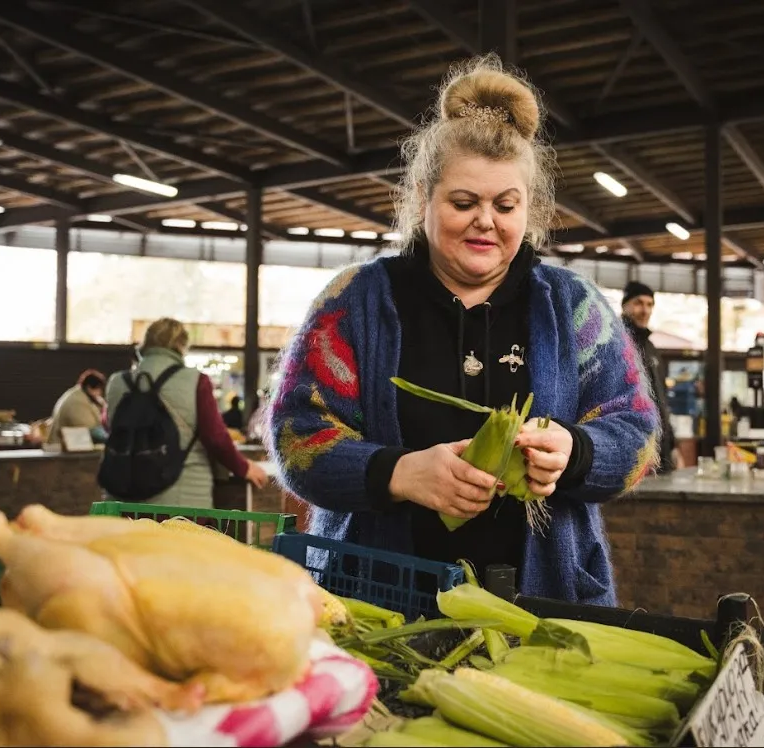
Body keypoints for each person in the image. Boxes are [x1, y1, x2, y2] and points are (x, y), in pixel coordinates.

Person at [267, 54, 660, 605]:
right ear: (422, 200)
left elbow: (637, 435)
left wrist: (576, 451)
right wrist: (398, 473)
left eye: (506, 204)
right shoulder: (354, 303)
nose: (486, 221)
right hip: (377, 607)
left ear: (529, 210)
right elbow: (296, 436)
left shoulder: (574, 308)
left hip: (544, 608)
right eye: (463, 202)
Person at [105, 318, 268, 507]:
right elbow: (215, 437)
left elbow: (109, 425)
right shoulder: (196, 380)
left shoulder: (117, 382)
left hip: (121, 495)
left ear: (146, 343)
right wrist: (243, 467)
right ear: (181, 346)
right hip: (180, 498)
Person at [621, 281, 678, 472]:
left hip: (661, 451)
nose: (644, 310)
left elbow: (661, 401)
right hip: (633, 453)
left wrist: (673, 445)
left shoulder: (651, 349)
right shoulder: (616, 344)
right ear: (624, 306)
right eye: (638, 303)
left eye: (649, 304)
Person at [46, 369, 109, 447]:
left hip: (68, 448)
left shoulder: (78, 395)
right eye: (99, 389)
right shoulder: (77, 402)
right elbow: (89, 429)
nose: (99, 394)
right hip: (61, 449)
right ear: (89, 387)